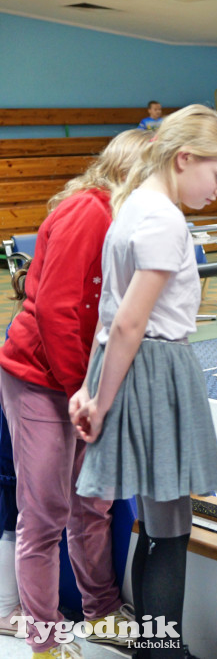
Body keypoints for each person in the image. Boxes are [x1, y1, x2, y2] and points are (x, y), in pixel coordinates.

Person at [70, 105, 217, 657]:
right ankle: (164, 651)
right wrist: (98, 398)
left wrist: (90, 382)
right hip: (154, 369)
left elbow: (110, 311)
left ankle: (154, 647)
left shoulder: (131, 206)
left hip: (125, 363)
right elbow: (130, 319)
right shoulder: (164, 219)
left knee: (154, 523)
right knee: (170, 530)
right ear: (184, 157)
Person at [0, 129, 150, 657]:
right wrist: (81, 395)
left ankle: (102, 611)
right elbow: (58, 313)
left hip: (86, 384)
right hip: (42, 380)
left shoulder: (128, 222)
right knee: (45, 512)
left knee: (94, 505)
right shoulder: (89, 212)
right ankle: (43, 635)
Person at [0, 265, 29, 638]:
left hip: (14, 442)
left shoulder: (21, 319)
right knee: (11, 522)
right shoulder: (23, 328)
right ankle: (7, 607)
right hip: (10, 447)